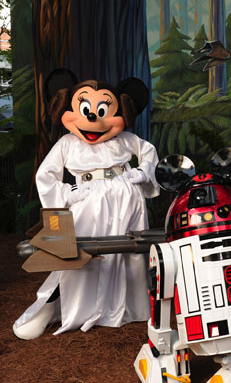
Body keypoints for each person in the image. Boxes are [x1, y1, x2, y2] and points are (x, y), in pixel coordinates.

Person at [13, 70, 159, 340]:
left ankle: (125, 305)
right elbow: (46, 175)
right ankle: (57, 305)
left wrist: (141, 173)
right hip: (86, 199)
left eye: (103, 109)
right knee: (80, 252)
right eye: (85, 108)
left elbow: (148, 152)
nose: (93, 117)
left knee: (127, 252)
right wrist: (68, 193)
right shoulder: (68, 143)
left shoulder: (125, 140)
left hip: (125, 197)